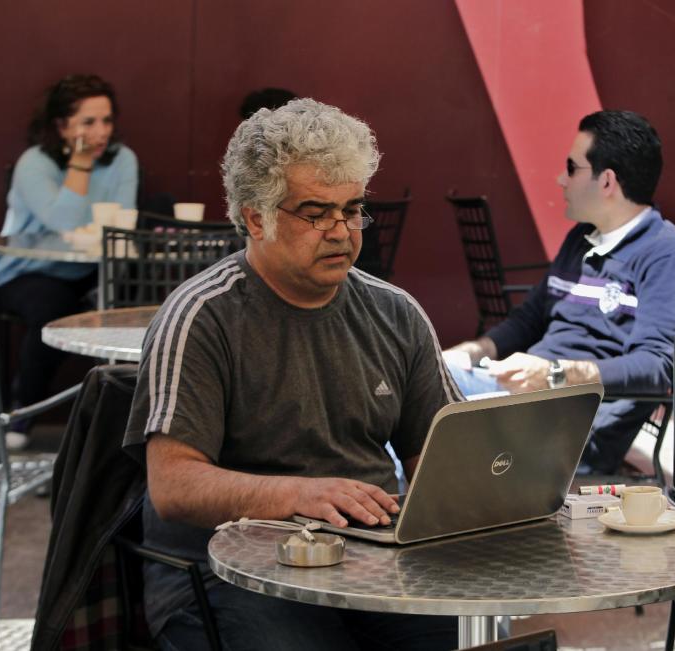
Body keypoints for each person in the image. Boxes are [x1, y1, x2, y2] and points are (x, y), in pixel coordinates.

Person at [123, 98, 460, 650]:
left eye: (352, 209)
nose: (341, 231)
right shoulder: (203, 316)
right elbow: (173, 486)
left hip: (367, 560)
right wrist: (295, 494)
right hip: (225, 569)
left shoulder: (396, 312)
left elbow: (441, 459)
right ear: (255, 218)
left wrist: (496, 487)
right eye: (315, 212)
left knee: (476, 630)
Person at [445, 110, 675, 475]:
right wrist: (469, 353)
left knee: (414, 424)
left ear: (607, 181)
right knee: (406, 392)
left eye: (571, 168)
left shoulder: (666, 255)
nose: (560, 179)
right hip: (524, 399)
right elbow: (530, 319)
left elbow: (659, 367)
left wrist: (554, 374)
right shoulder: (582, 238)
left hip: (569, 424)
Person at [0, 74, 138, 448]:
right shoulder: (34, 164)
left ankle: (121, 421)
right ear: (61, 125)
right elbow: (65, 222)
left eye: (106, 120)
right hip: (27, 270)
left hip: (91, 270)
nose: (101, 131)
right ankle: (25, 410)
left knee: (132, 303)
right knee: (52, 308)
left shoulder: (122, 160)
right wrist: (82, 163)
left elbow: (118, 224)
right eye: (88, 122)